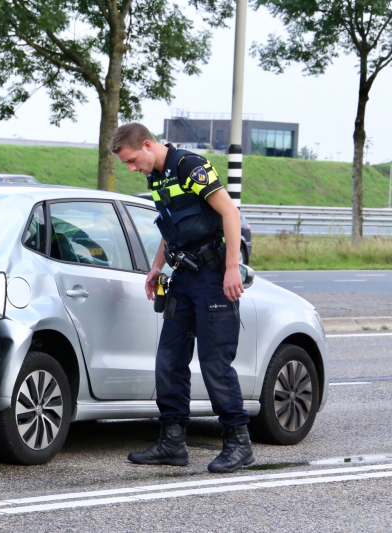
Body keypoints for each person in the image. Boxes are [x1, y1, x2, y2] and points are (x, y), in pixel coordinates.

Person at [110, 123, 255, 473]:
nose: (131, 169)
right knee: (170, 359)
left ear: (147, 144)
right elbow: (169, 225)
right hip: (184, 276)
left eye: (131, 160)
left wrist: (232, 268)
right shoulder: (157, 178)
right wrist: (156, 267)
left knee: (213, 362)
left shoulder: (190, 166)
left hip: (213, 277)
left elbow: (230, 213)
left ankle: (239, 443)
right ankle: (172, 442)